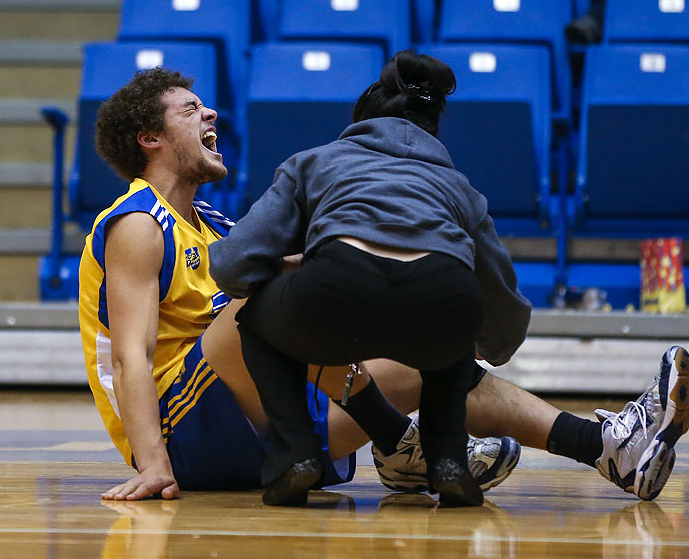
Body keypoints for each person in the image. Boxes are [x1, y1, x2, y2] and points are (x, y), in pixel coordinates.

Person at [79, 66, 689, 505]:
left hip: (251, 419)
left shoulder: (213, 223)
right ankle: (403, 444)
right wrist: (153, 463)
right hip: (181, 431)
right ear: (150, 139)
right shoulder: (136, 223)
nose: (210, 112)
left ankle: (609, 447)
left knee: (417, 356)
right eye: (190, 109)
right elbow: (131, 353)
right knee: (268, 295)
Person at [208, 50, 533, 507]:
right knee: (457, 322)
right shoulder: (461, 189)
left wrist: (279, 273)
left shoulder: (313, 162)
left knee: (254, 318)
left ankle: (296, 456)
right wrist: (485, 348)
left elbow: (231, 264)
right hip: (440, 303)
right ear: (432, 129)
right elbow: (503, 305)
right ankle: (448, 463)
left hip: (337, 295)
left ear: (361, 122)